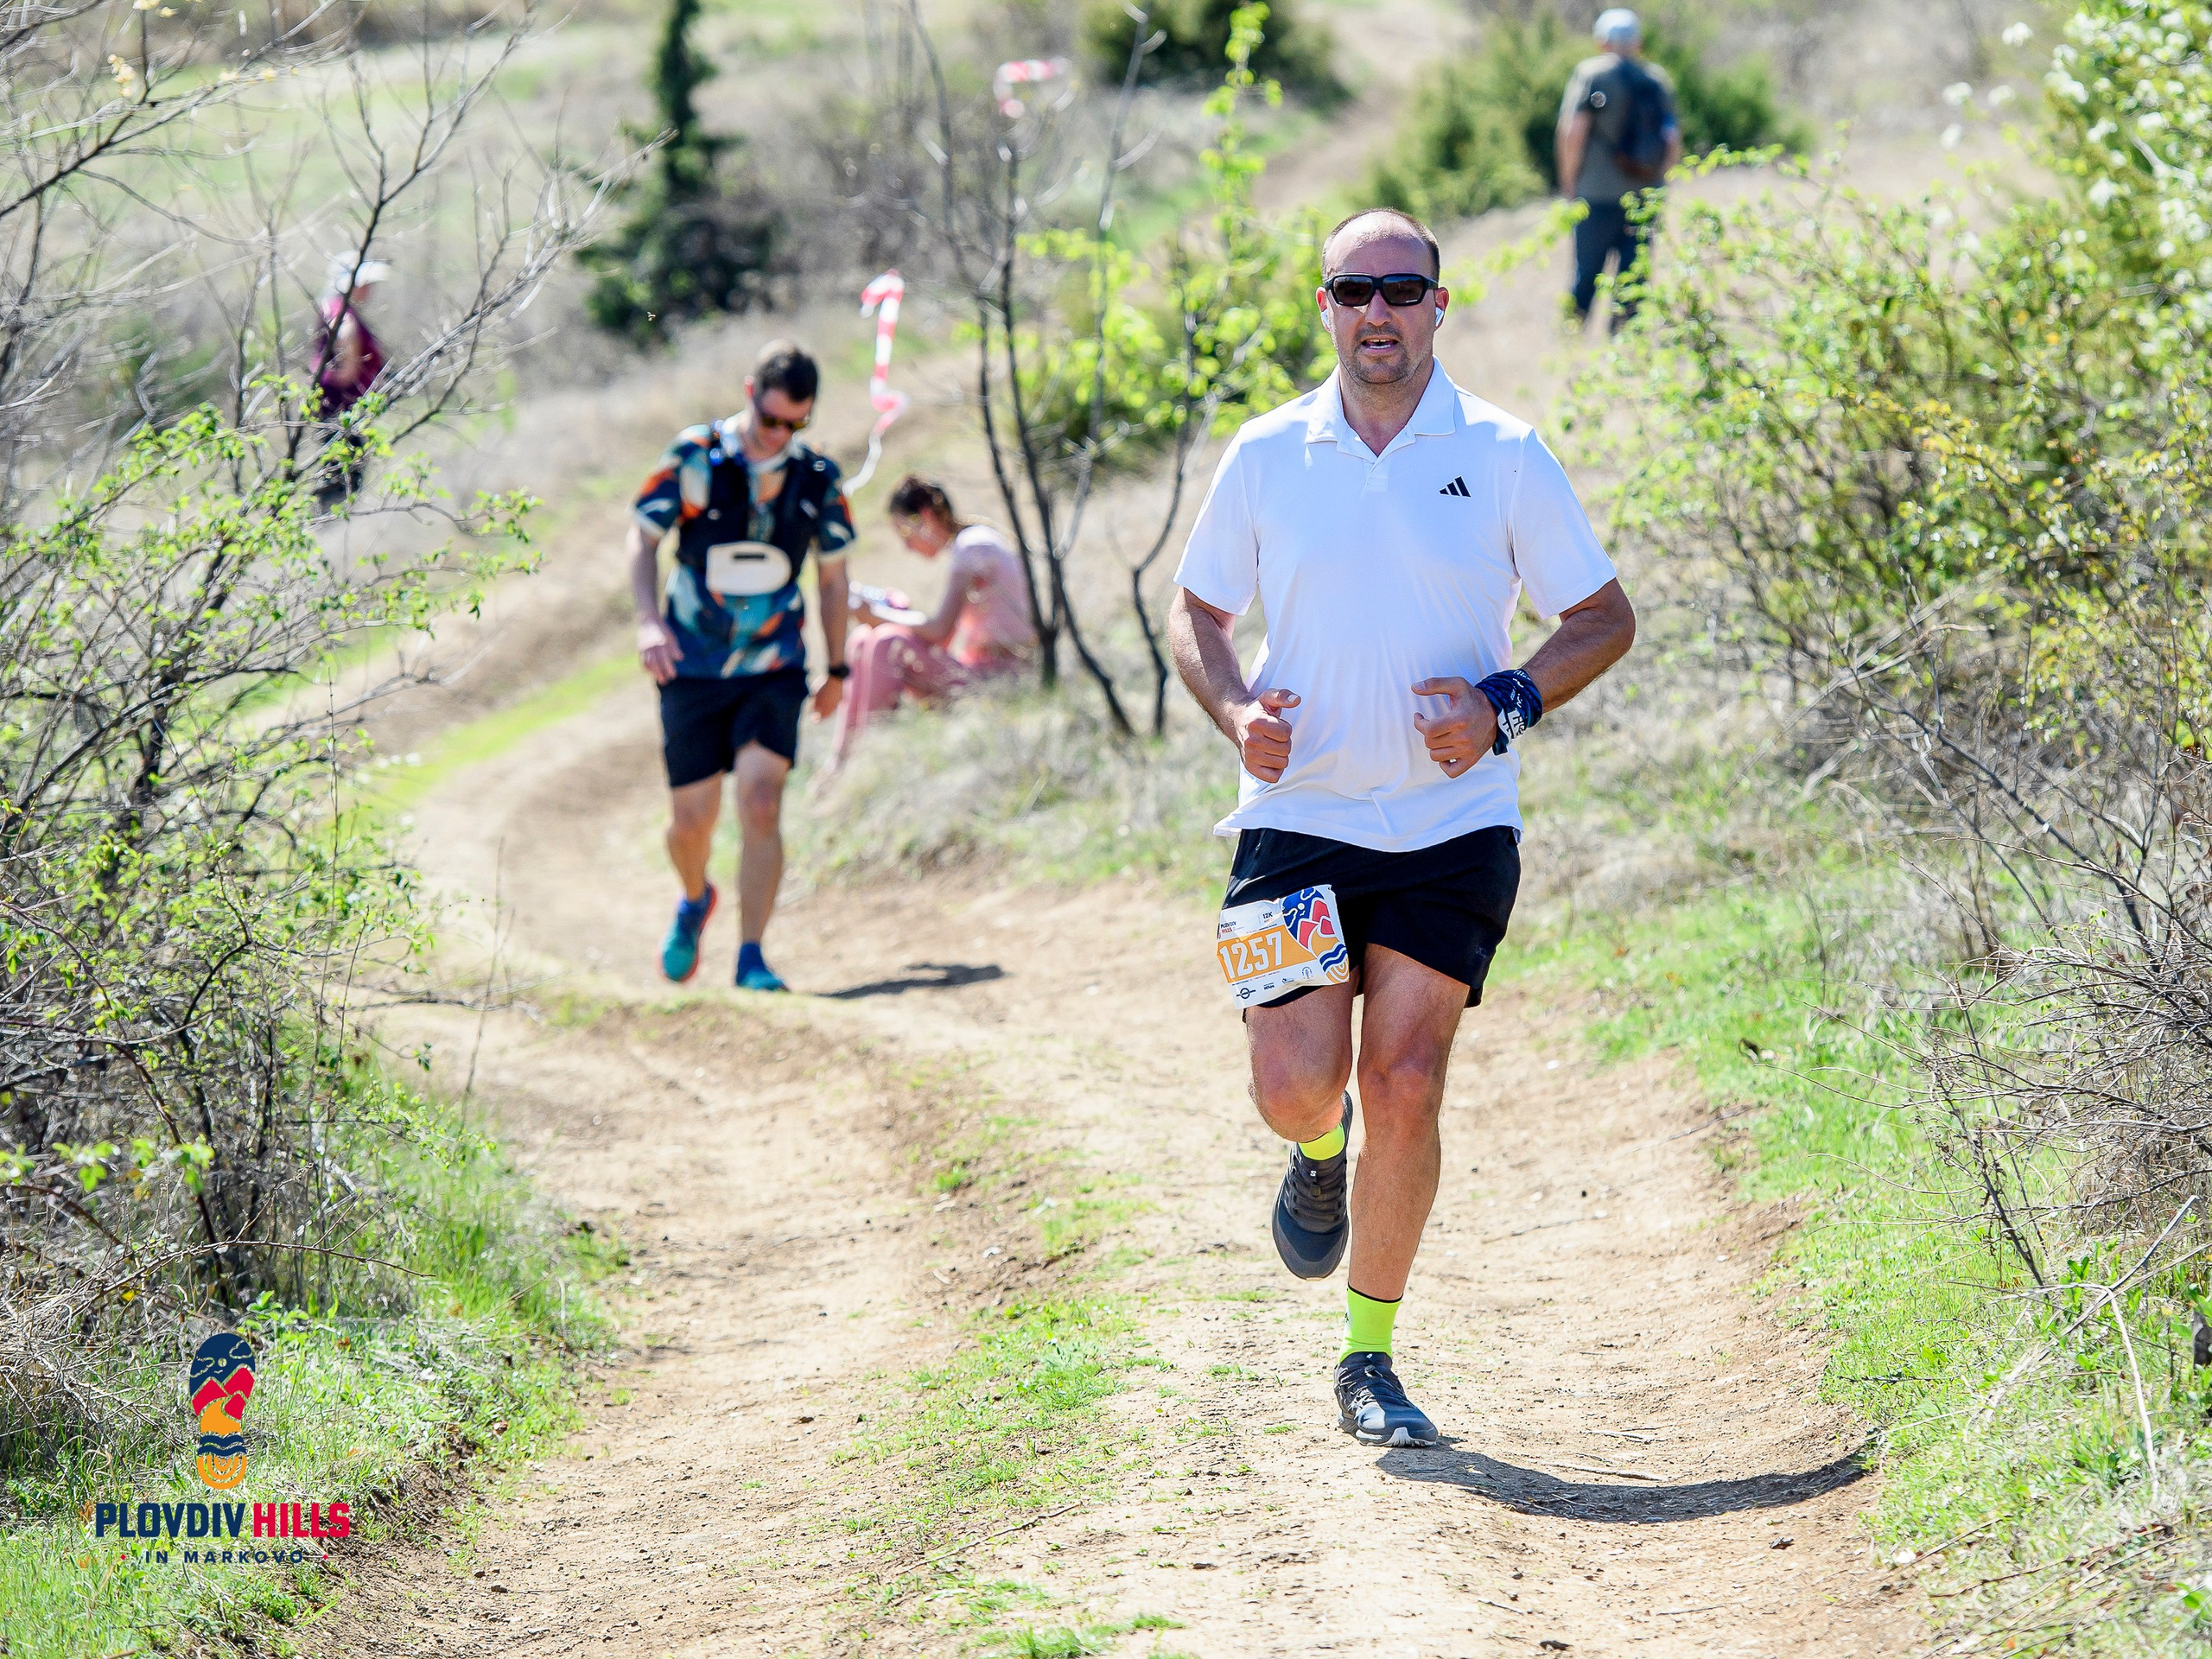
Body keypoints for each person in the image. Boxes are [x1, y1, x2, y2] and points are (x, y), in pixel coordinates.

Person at [1168, 207, 1636, 1446]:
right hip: (1295, 814)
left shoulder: (1505, 451)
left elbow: (1602, 615)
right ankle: (1316, 1151)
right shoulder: (1268, 454)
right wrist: (1232, 712)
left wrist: (1502, 705)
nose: (1378, 309)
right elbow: (1197, 611)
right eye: (1352, 288)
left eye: (1401, 288)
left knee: (1410, 1080)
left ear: (1440, 304)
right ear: (1324, 307)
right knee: (1294, 1083)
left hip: (1452, 822)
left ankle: (1369, 1358)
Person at [628, 339, 854, 992]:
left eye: (795, 425)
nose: (779, 435)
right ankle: (696, 898)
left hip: (775, 664)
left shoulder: (816, 479)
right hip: (692, 666)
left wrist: (836, 670)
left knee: (761, 803)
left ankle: (752, 955)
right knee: (691, 823)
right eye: (772, 419)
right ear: (750, 394)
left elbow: (834, 578)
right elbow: (642, 538)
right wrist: (648, 620)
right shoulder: (694, 455)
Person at [829, 474, 1036, 766]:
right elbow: (943, 636)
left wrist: (879, 615)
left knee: (887, 641)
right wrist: (894, 613)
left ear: (926, 517)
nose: (907, 547)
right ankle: (842, 757)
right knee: (864, 638)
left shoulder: (971, 547)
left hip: (1006, 676)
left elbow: (939, 631)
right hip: (992, 671)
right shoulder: (972, 543)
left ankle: (861, 759)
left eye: (905, 534)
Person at [1555, 8, 1681, 328]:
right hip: (1643, 199)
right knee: (1633, 282)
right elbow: (1672, 140)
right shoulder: (1656, 79)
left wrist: (1569, 182)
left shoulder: (1591, 74)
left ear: (1602, 42)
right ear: (1637, 43)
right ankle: (1624, 355)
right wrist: (1659, 185)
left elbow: (1573, 132)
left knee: (1586, 277)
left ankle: (1572, 345)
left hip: (1596, 196)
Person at [312, 254, 389, 509]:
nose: (369, 289)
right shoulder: (341, 311)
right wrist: (351, 365)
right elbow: (345, 338)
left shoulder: (332, 306)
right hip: (343, 411)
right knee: (341, 483)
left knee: (339, 479)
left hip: (338, 409)